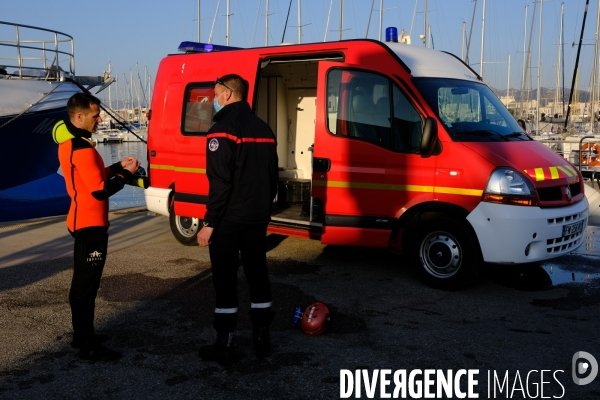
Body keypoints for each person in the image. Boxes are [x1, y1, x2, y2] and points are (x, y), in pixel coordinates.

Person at [197, 74, 279, 365]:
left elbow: (220, 183)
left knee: (225, 279)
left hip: (229, 220)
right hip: (257, 217)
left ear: (229, 94)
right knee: (258, 273)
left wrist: (209, 222)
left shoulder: (222, 130)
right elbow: (272, 177)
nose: (215, 100)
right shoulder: (265, 128)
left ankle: (225, 342)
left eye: (217, 94)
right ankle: (262, 337)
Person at [52, 92, 139, 361]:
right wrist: (127, 175)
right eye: (94, 115)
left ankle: (82, 335)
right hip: (90, 226)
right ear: (79, 116)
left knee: (83, 283)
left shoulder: (71, 144)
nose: (99, 119)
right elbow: (99, 192)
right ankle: (87, 344)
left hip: (80, 220)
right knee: (86, 286)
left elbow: (91, 178)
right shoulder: (83, 149)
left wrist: (116, 167)